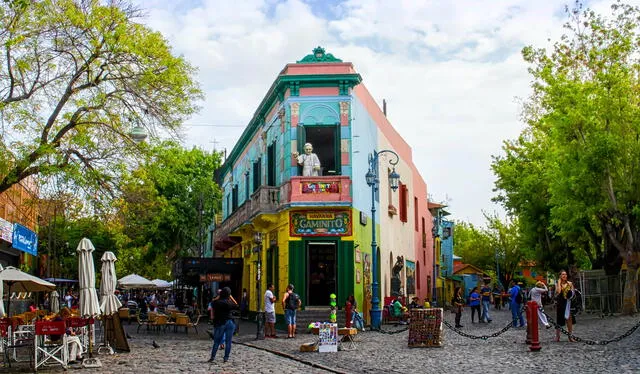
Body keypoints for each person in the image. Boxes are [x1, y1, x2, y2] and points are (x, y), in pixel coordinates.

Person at [207, 287, 238, 363]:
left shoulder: (216, 303)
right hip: (230, 323)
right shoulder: (229, 303)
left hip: (220, 323)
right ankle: (226, 358)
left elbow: (212, 302)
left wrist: (219, 296)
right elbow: (236, 304)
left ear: (221, 294)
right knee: (228, 342)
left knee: (216, 341)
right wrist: (230, 296)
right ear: (229, 294)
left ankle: (213, 357)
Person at [555, 270, 575, 342]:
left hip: (568, 303)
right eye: (563, 274)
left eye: (565, 274)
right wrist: (559, 282)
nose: (564, 276)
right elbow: (559, 291)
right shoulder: (558, 283)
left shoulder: (570, 283)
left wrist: (570, 295)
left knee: (569, 319)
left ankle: (570, 336)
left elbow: (573, 293)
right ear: (560, 276)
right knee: (559, 320)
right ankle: (557, 336)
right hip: (561, 303)